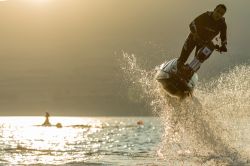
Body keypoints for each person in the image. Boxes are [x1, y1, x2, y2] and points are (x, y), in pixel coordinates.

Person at [177, 4, 228, 70]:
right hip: (193, 38)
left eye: (221, 14)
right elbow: (192, 24)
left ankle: (190, 71)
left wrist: (224, 45)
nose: (218, 15)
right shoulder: (206, 16)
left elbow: (223, 36)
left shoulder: (222, 24)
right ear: (214, 9)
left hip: (204, 43)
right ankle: (178, 66)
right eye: (218, 11)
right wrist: (195, 34)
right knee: (183, 58)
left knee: (202, 56)